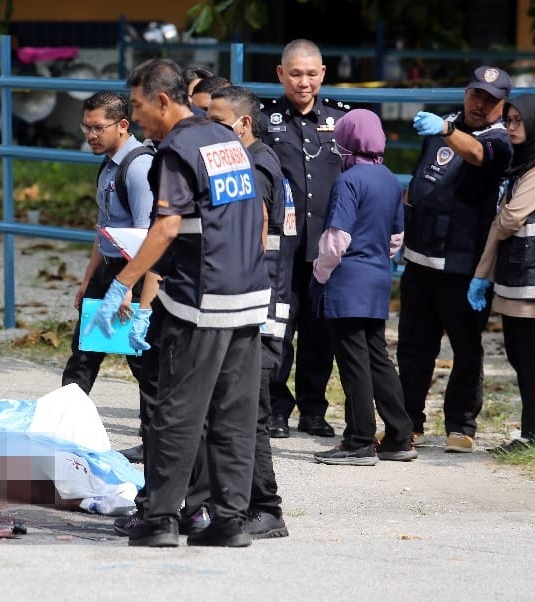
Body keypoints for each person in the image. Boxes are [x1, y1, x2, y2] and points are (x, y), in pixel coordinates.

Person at [91, 58, 269, 547]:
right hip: (249, 295)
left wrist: (122, 283)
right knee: (232, 414)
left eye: (141, 105)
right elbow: (256, 217)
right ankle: (230, 521)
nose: (138, 116)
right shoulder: (227, 140)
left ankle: (161, 519)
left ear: (164, 100)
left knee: (177, 410)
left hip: (201, 300)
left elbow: (166, 226)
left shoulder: (175, 150)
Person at [400, 65, 513, 453]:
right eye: (475, 94)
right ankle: (407, 422)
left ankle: (461, 426)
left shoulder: (499, 140)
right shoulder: (445, 122)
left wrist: (448, 131)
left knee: (465, 349)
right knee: (413, 347)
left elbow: (481, 154)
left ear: (501, 106)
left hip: (463, 266)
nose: (479, 103)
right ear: (466, 92)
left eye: (490, 99)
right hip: (419, 256)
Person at [308, 109, 417, 465]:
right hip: (377, 280)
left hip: (347, 284)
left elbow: (336, 240)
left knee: (353, 364)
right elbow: (395, 237)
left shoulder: (349, 180)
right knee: (378, 359)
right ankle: (400, 436)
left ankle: (359, 440)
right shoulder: (388, 179)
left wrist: (320, 274)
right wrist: (373, 258)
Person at [204, 85, 290, 536]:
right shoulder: (251, 158)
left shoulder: (253, 166)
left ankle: (267, 508)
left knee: (250, 412)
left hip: (257, 305)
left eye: (217, 122)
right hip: (258, 300)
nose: (209, 131)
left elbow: (253, 236)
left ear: (243, 123)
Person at [61, 90, 156, 464]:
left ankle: (156, 444)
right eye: (86, 127)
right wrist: (88, 281)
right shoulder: (109, 163)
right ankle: (63, 430)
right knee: (83, 355)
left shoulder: (138, 167)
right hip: (108, 270)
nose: (91, 135)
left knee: (144, 364)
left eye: (98, 128)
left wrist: (128, 287)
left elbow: (147, 236)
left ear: (122, 125)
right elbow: (105, 229)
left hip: (131, 273)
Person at [263, 39, 350, 440]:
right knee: (279, 329)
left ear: (322, 75)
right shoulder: (265, 122)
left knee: (320, 335)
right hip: (283, 248)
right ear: (281, 74)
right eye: (295, 73)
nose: (304, 82)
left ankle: (313, 410)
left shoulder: (340, 121)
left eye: (311, 74)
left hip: (325, 251)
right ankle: (276, 409)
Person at [469, 95, 535, 452]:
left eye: (518, 121)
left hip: (529, 287)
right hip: (515, 282)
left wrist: (501, 218)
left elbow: (510, 219)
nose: (510, 127)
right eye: (507, 121)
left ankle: (530, 437)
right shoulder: (521, 167)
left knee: (528, 360)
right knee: (520, 358)